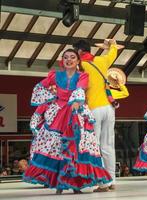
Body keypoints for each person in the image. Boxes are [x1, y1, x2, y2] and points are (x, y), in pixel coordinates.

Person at [24, 49, 112, 194]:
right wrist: (51, 97)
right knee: (58, 147)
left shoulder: (83, 75)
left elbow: (80, 88)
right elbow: (40, 86)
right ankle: (59, 184)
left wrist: (77, 102)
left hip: (75, 111)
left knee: (76, 147)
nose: (69, 60)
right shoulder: (55, 75)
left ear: (78, 61)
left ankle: (75, 184)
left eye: (72, 57)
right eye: (66, 57)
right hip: (59, 113)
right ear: (62, 61)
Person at [73, 39, 128, 192]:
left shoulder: (80, 65)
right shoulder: (102, 60)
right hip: (109, 107)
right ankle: (112, 181)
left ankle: (102, 183)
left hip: (93, 108)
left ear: (78, 51)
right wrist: (110, 44)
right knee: (108, 145)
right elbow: (113, 51)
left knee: (94, 145)